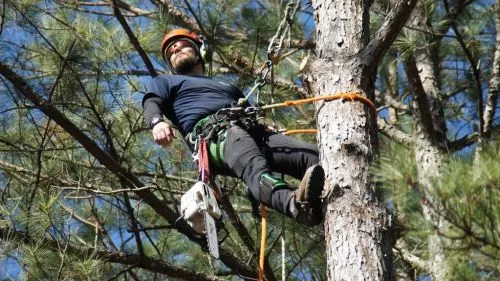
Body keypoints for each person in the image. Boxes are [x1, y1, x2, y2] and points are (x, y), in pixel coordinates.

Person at [142, 29, 325, 226]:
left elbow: (248, 113)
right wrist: (157, 122)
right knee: (254, 167)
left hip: (252, 131)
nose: (174, 49)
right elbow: (152, 102)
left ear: (201, 51)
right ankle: (295, 204)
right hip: (216, 134)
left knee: (313, 156)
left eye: (181, 44)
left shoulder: (226, 87)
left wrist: (267, 129)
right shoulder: (165, 82)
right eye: (170, 51)